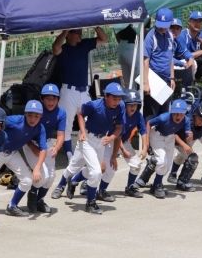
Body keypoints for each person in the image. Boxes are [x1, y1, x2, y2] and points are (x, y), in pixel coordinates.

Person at [51, 83, 125, 214]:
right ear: (105, 96)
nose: (117, 101)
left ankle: (73, 182)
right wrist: (83, 132)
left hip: (102, 140)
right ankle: (85, 200)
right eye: (114, 98)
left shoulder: (120, 107)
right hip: (87, 138)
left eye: (119, 98)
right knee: (85, 169)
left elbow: (119, 127)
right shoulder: (94, 105)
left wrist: (112, 137)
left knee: (96, 170)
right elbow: (80, 114)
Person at [52, 26, 108, 160]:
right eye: (77, 32)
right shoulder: (63, 48)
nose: (80, 34)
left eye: (80, 31)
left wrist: (96, 26)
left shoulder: (84, 44)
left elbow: (104, 39)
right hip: (68, 91)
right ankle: (69, 155)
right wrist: (66, 29)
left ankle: (91, 152)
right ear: (69, 35)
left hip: (84, 92)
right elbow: (55, 47)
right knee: (66, 125)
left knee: (93, 121)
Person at [135, 99, 192, 199]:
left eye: (181, 114)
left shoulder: (186, 120)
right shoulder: (163, 118)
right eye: (175, 113)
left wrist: (189, 138)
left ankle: (155, 185)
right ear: (171, 112)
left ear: (185, 113)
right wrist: (147, 141)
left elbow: (188, 137)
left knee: (167, 164)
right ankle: (158, 186)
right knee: (162, 161)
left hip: (170, 137)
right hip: (157, 135)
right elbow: (149, 123)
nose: (178, 116)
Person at [23, 84, 67, 212]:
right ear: (41, 99)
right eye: (48, 98)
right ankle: (32, 194)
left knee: (51, 176)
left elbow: (61, 135)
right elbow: (24, 132)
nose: (51, 101)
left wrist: (57, 148)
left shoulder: (61, 113)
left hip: (46, 143)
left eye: (54, 98)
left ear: (58, 99)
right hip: (31, 143)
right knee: (43, 175)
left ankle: (40, 200)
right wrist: (32, 147)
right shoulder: (35, 110)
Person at [167, 100, 202, 192]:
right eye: (200, 118)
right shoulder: (188, 120)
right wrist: (184, 145)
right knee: (160, 161)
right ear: (195, 114)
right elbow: (173, 134)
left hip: (182, 143)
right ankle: (144, 179)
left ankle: (182, 182)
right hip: (169, 140)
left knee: (192, 158)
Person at [143, 8, 176, 119]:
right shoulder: (150, 36)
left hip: (166, 80)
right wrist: (146, 82)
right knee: (152, 114)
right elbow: (145, 61)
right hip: (154, 80)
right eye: (160, 24)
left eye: (165, 25)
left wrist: (172, 77)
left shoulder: (170, 35)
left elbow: (170, 56)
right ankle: (147, 136)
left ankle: (160, 136)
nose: (162, 27)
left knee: (164, 114)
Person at [177, 10, 202, 83]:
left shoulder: (201, 37)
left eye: (200, 21)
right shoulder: (182, 35)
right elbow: (182, 56)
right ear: (189, 21)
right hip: (182, 66)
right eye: (195, 21)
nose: (198, 23)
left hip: (197, 68)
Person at [116, 24, 139, 90]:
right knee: (137, 78)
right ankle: (135, 98)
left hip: (122, 45)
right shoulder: (143, 14)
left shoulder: (119, 13)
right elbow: (143, 32)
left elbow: (116, 31)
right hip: (133, 45)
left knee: (127, 81)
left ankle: (128, 98)